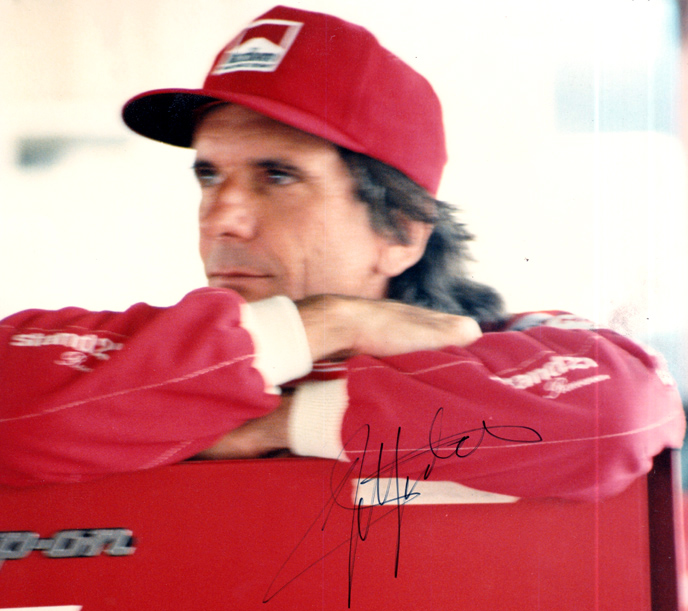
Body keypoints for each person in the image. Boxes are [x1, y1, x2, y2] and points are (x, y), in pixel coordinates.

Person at [0, 5, 684, 498]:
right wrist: (331, 323)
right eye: (209, 176)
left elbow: (620, 415)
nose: (221, 216)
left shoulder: (508, 344)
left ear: (402, 232)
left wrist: (283, 422)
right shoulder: (154, 354)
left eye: (277, 176)